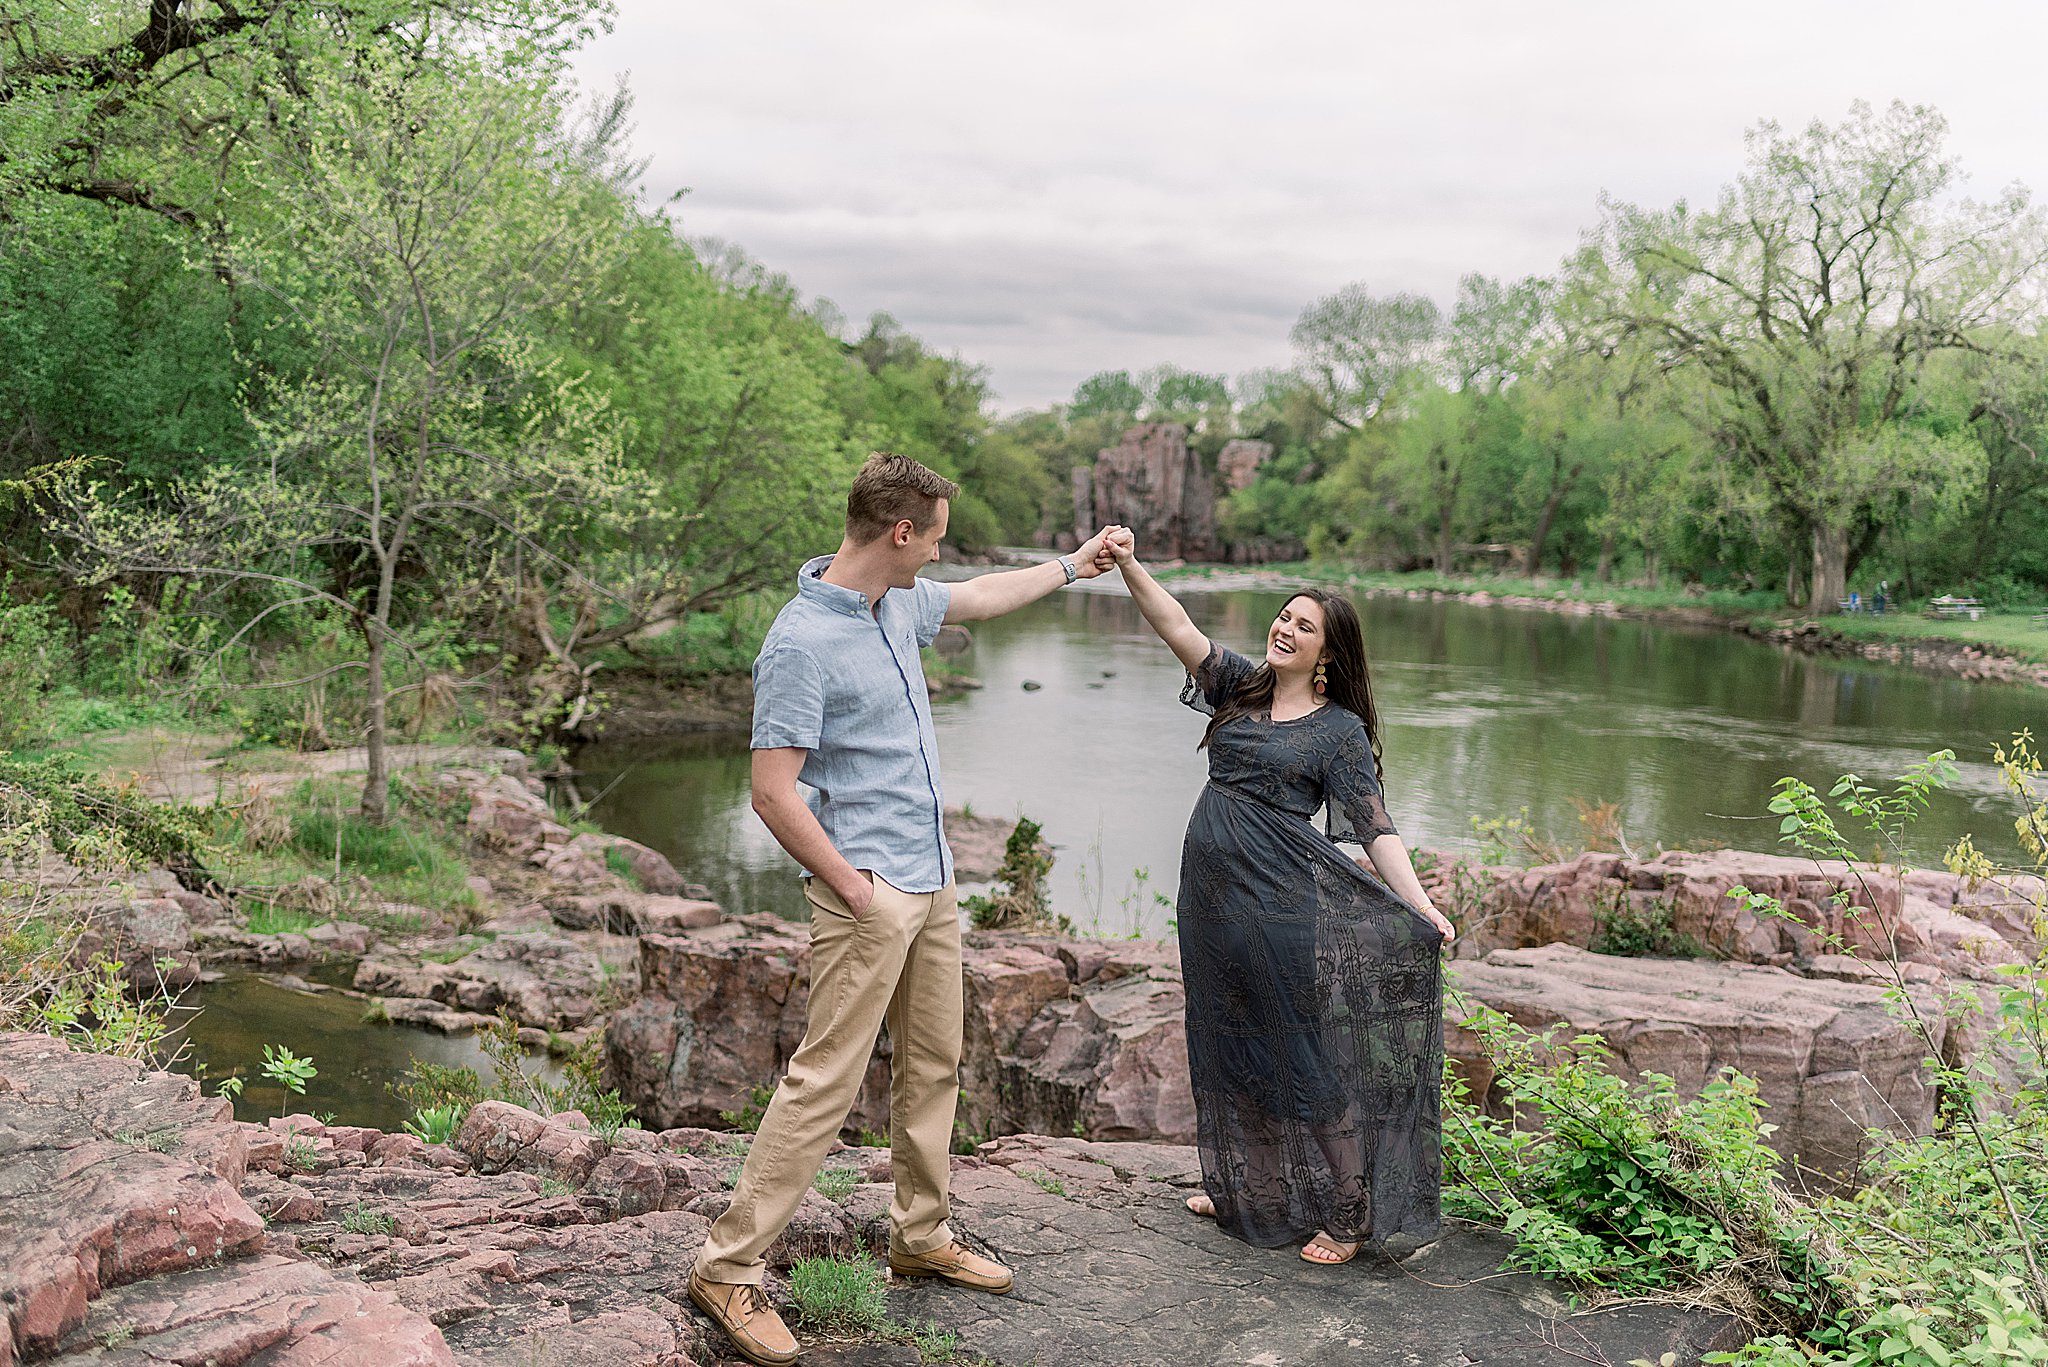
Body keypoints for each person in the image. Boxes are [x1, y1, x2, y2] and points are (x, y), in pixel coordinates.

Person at [687, 451, 1122, 1367]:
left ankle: (920, 1234)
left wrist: (1073, 566)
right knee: (826, 1081)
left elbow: (981, 596)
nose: (939, 554)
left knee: (934, 1063)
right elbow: (772, 792)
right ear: (899, 533)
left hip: (932, 881)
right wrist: (852, 887)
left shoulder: (901, 604)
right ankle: (729, 1265)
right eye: (934, 537)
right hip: (870, 893)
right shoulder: (801, 641)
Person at [1106, 528, 1453, 1267]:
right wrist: (1131, 564)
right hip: (1210, 900)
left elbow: (1374, 825)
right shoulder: (1239, 685)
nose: (1286, 629)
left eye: (1305, 625)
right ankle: (1248, 1188)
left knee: (1302, 1050)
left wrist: (1420, 904)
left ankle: (1351, 1210)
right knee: (1229, 1032)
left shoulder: (1338, 731)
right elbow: (1177, 624)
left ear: (1328, 653)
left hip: (1285, 901)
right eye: (1284, 617)